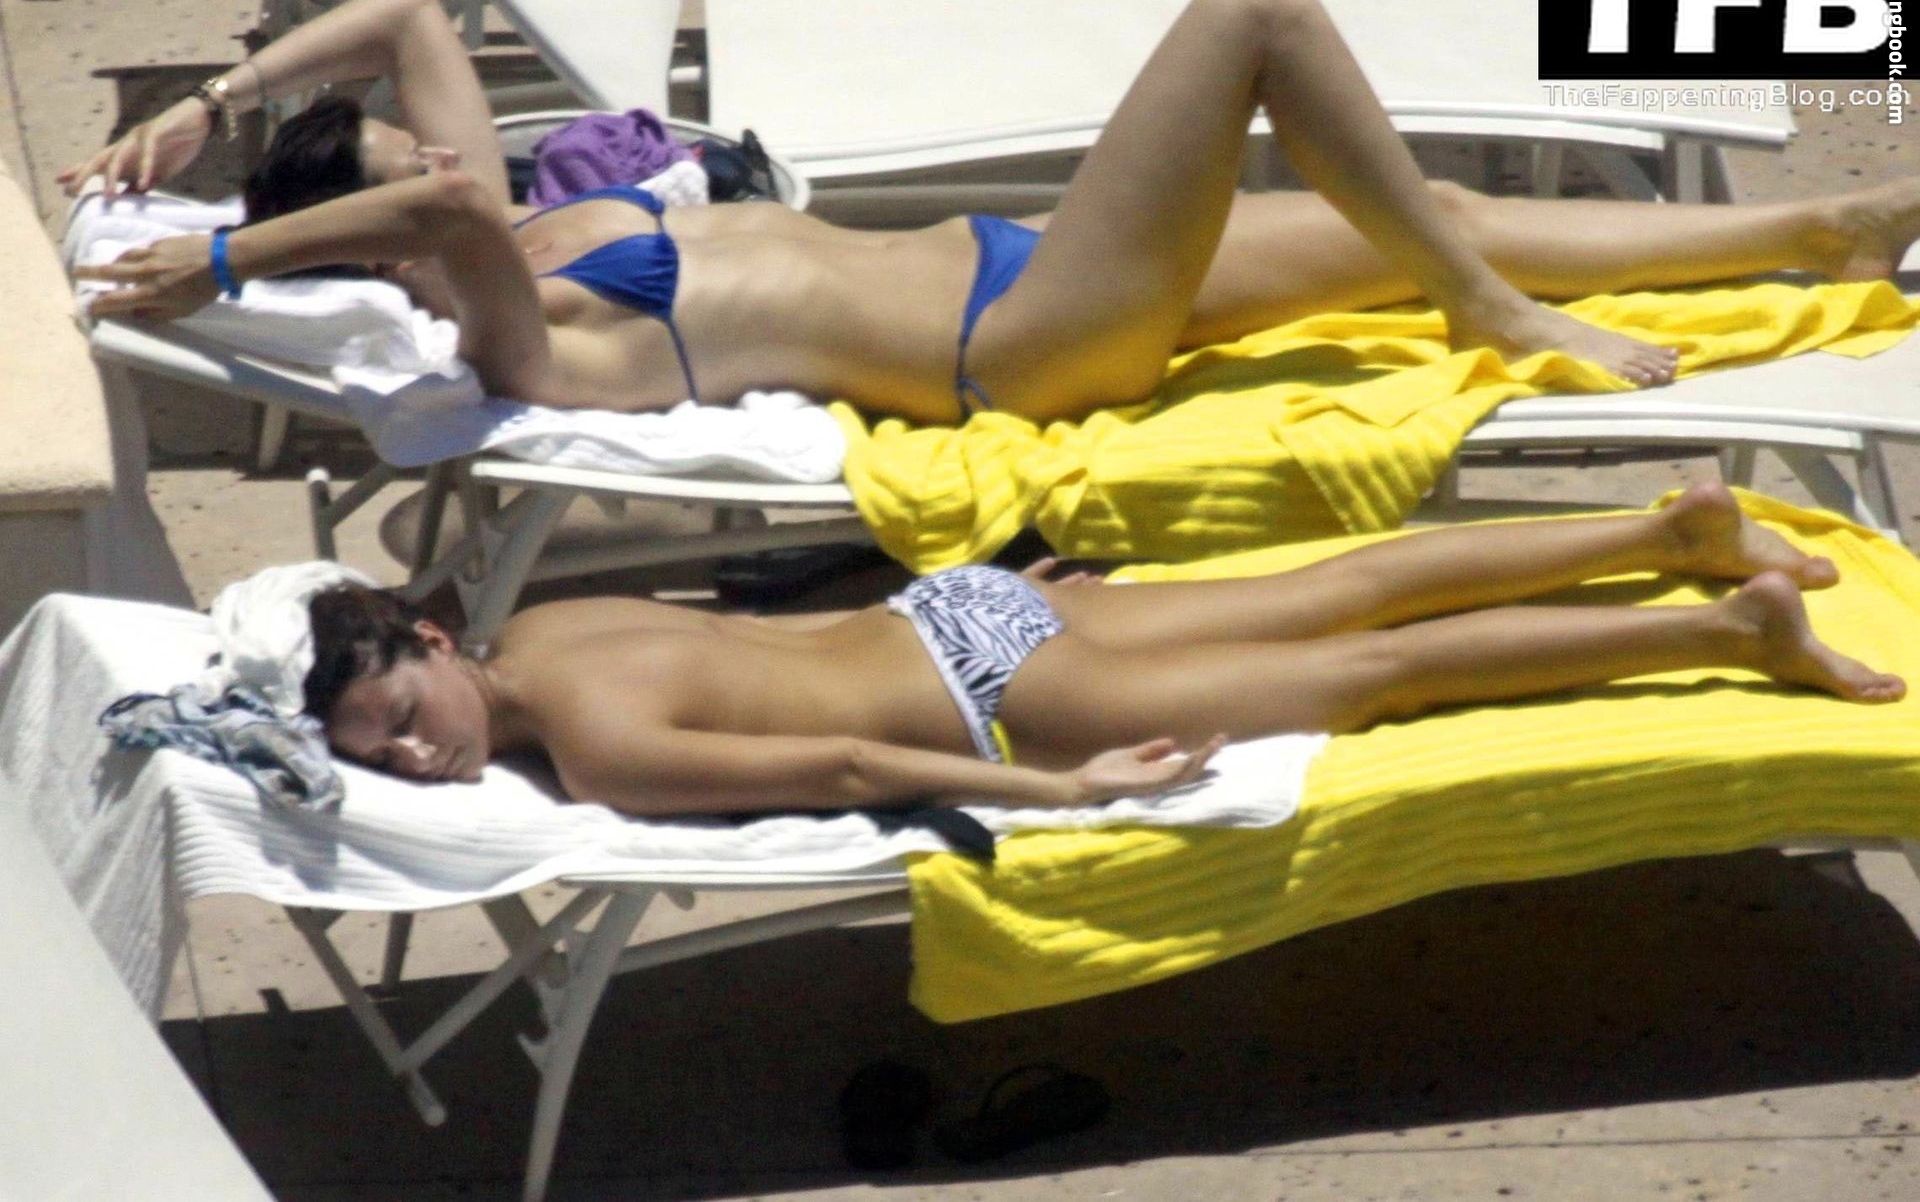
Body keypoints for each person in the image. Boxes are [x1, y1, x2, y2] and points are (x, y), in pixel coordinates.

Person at [65, 0, 1920, 420]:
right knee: (1257, 12)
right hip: (1019, 342)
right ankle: (1493, 312)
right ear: (371, 233)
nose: (446, 152)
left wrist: (212, 108)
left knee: (1420, 196)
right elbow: (441, 220)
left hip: (1019, 267)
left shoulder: (512, 216)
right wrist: (225, 249)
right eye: (405, 160)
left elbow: (405, 12)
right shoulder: (507, 321)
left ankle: (1821, 231)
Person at [300, 484, 1902, 814]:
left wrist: (1065, 793)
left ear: (431, 641)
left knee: (1378, 671)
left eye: (404, 711)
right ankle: (1666, 536)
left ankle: (1724, 622)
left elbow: (848, 761)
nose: (420, 753)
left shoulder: (596, 757)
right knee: (1353, 587)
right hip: (961, 611)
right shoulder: (542, 621)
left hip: (1003, 686)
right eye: (389, 756)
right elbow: (772, 649)